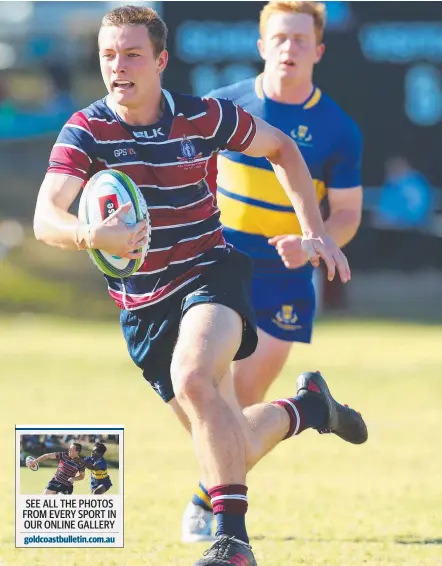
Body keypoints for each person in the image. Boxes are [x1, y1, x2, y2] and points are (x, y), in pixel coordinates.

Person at [33, 5, 366, 565]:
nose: (119, 66)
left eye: (133, 54)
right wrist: (93, 235)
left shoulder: (203, 116)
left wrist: (315, 232)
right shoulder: (85, 130)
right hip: (142, 307)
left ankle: (232, 544)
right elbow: (47, 216)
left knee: (194, 377)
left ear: (161, 60)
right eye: (109, 55)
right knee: (226, 435)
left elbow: (282, 148)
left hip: (209, 272)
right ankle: (307, 409)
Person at [182, 0, 364, 543]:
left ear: (319, 50)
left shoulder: (337, 128)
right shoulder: (226, 105)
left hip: (286, 277)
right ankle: (219, 500)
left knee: (242, 399)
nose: (289, 48)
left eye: (300, 40)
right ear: (262, 46)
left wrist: (317, 243)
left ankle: (203, 496)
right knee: (204, 392)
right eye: (279, 39)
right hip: (219, 267)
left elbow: (349, 213)